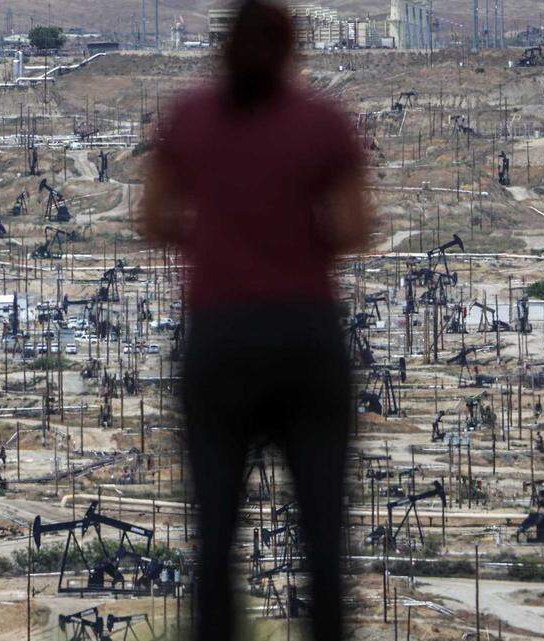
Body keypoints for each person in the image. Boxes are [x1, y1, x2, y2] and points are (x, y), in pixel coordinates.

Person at [137, 1, 370, 640]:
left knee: (214, 536)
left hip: (221, 340)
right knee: (323, 536)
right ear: (293, 51)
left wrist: (216, 233)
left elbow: (152, 221)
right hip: (306, 339)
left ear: (223, 49)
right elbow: (355, 227)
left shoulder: (189, 120)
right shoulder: (324, 124)